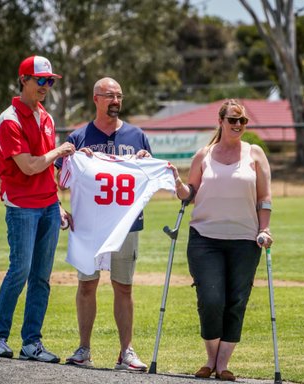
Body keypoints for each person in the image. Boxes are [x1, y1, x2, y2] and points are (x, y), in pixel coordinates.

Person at [172, 99, 273, 381]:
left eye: (243, 121)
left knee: (237, 300)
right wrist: (179, 186)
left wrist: (264, 229)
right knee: (211, 299)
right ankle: (211, 359)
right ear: (221, 121)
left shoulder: (254, 154)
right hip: (205, 239)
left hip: (245, 239)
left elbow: (265, 198)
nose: (238, 125)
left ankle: (222, 365)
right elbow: (189, 194)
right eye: (233, 120)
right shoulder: (203, 155)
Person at [55, 77, 151, 371]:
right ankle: (84, 349)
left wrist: (145, 162)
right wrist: (59, 207)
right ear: (95, 98)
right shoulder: (79, 137)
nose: (116, 102)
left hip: (126, 225)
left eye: (119, 96)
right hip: (89, 226)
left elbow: (148, 180)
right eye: (110, 96)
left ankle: (126, 352)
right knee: (87, 285)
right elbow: (55, 178)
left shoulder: (137, 136)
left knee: (123, 286)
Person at [0, 55, 76, 363]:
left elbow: (46, 172)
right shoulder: (9, 120)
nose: (46, 86)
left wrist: (58, 204)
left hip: (48, 205)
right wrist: (59, 150)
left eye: (50, 81)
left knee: (41, 276)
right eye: (41, 80)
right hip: (21, 205)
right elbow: (29, 166)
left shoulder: (46, 117)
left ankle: (32, 343)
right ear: (23, 80)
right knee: (19, 272)